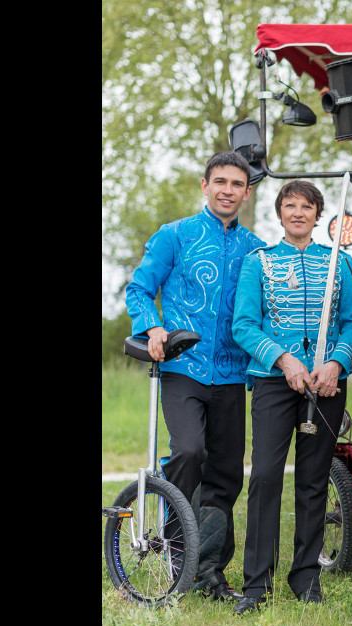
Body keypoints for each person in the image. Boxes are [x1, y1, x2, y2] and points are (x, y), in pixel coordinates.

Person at [125, 151, 266, 603]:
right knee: (188, 450)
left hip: (232, 373)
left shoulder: (256, 249)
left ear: (247, 193)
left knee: (226, 473)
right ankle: (175, 548)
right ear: (205, 185)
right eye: (220, 181)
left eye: (237, 184)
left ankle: (208, 572)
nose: (228, 190)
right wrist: (152, 327)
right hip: (182, 366)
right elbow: (139, 289)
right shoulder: (175, 235)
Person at [231, 180, 352, 615]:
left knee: (312, 481)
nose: (298, 212)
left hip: (326, 384)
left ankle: (306, 578)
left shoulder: (339, 262)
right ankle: (256, 584)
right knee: (266, 477)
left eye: (306, 206)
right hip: (274, 381)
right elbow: (244, 325)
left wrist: (336, 363)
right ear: (279, 213)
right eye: (289, 205)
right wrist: (284, 359)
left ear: (317, 214)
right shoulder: (258, 262)